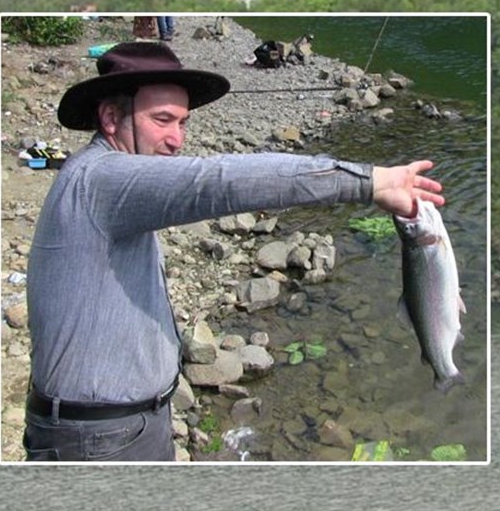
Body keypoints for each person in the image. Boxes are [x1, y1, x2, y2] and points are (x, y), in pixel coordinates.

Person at [24, 42, 444, 462]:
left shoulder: (105, 181)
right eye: (162, 120)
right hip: (99, 439)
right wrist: (370, 182)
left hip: (120, 427)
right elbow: (216, 182)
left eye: (183, 122)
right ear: (111, 118)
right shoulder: (102, 179)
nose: (177, 140)